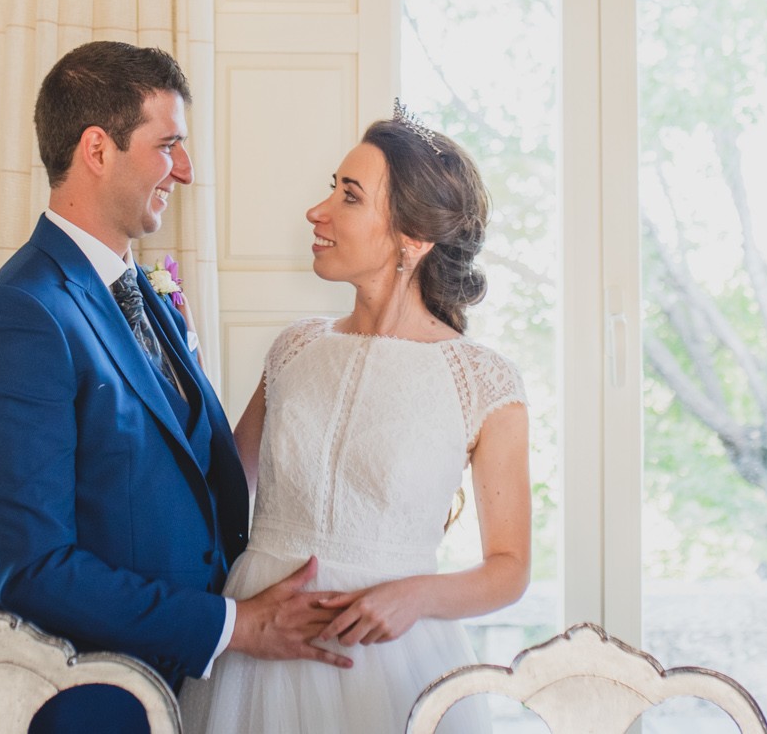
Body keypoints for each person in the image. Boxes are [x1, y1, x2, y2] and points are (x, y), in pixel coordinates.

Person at [0, 40, 349, 734]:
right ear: (98, 149)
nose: (188, 170)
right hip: (79, 700)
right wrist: (236, 624)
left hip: (182, 689)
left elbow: (192, 475)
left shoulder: (145, 294)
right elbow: (33, 566)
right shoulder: (21, 313)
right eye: (169, 144)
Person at [182, 106, 533, 734]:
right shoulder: (294, 349)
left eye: (349, 196)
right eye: (332, 188)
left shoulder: (482, 381)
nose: (318, 211)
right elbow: (221, 495)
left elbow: (509, 567)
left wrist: (417, 594)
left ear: (412, 238)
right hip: (256, 647)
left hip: (389, 661)